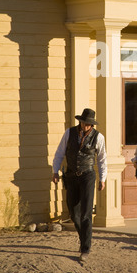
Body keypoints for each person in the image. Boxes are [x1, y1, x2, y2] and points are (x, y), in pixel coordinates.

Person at [52, 108, 107, 262]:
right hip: (71, 175)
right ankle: (84, 240)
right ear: (80, 121)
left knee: (86, 213)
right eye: (84, 123)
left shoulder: (99, 137)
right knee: (74, 213)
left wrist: (103, 178)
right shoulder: (69, 133)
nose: (86, 126)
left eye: (89, 124)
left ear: (92, 125)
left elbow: (102, 159)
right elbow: (59, 153)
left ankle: (85, 248)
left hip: (88, 175)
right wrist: (55, 171)